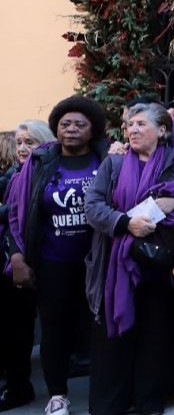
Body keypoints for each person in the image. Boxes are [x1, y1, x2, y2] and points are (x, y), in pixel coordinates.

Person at [83, 102, 174, 415]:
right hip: (115, 265)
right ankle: (110, 403)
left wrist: (172, 204)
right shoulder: (114, 163)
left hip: (158, 265)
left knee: (154, 336)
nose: (133, 129)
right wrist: (125, 223)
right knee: (114, 334)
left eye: (141, 124)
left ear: (162, 130)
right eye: (130, 124)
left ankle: (149, 400)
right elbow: (93, 206)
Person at [5, 97, 108, 415]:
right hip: (53, 262)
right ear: (56, 129)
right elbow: (16, 213)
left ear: (92, 130)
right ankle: (58, 396)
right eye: (65, 124)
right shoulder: (39, 163)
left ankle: (105, 394)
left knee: (101, 328)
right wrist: (17, 257)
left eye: (80, 124)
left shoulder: (107, 159)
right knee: (54, 329)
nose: (72, 129)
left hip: (98, 262)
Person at [0, 120, 54, 412]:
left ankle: (21, 387)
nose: (21, 148)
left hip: (42, 259)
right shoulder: (15, 174)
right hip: (13, 258)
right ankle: (15, 384)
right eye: (19, 142)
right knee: (13, 326)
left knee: (21, 329)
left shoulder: (49, 173)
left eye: (29, 142)